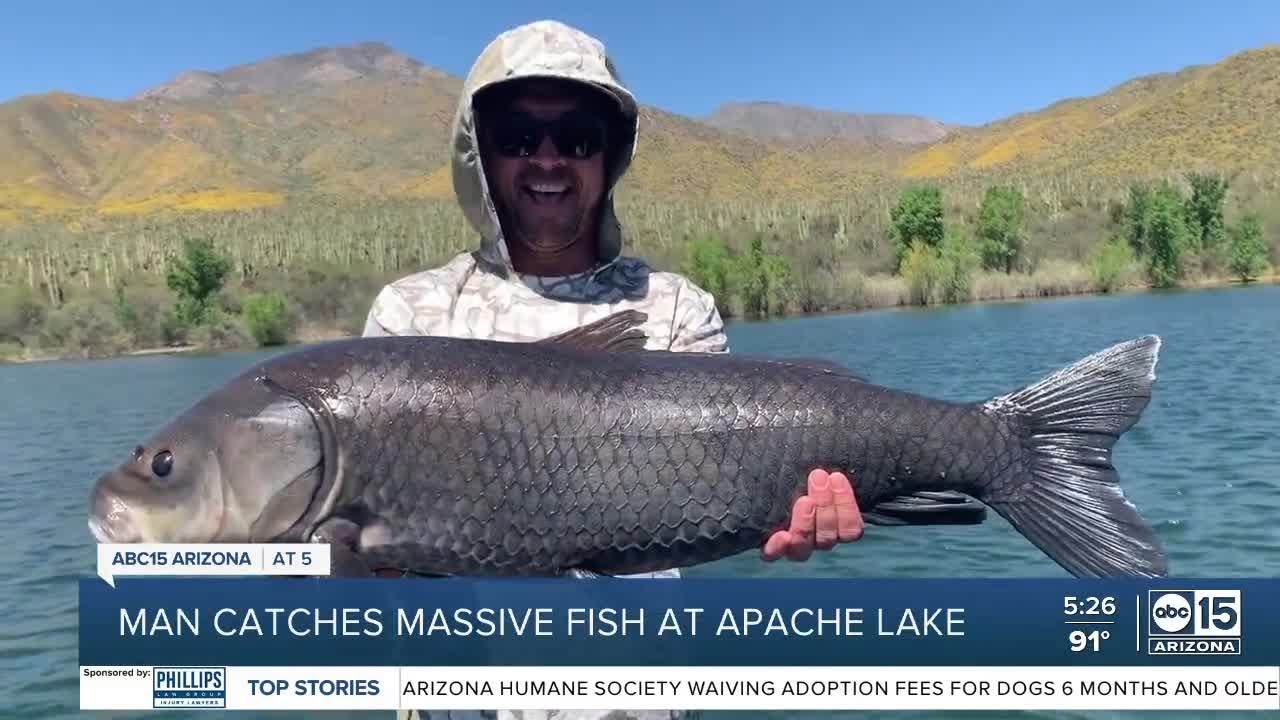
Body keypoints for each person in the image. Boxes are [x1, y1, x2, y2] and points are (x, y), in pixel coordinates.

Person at [363, 19, 864, 720]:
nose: (547, 159)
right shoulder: (407, 320)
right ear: (479, 152)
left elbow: (737, 490)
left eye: (576, 137)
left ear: (610, 154)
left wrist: (795, 508)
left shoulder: (676, 311)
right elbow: (360, 577)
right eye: (515, 136)